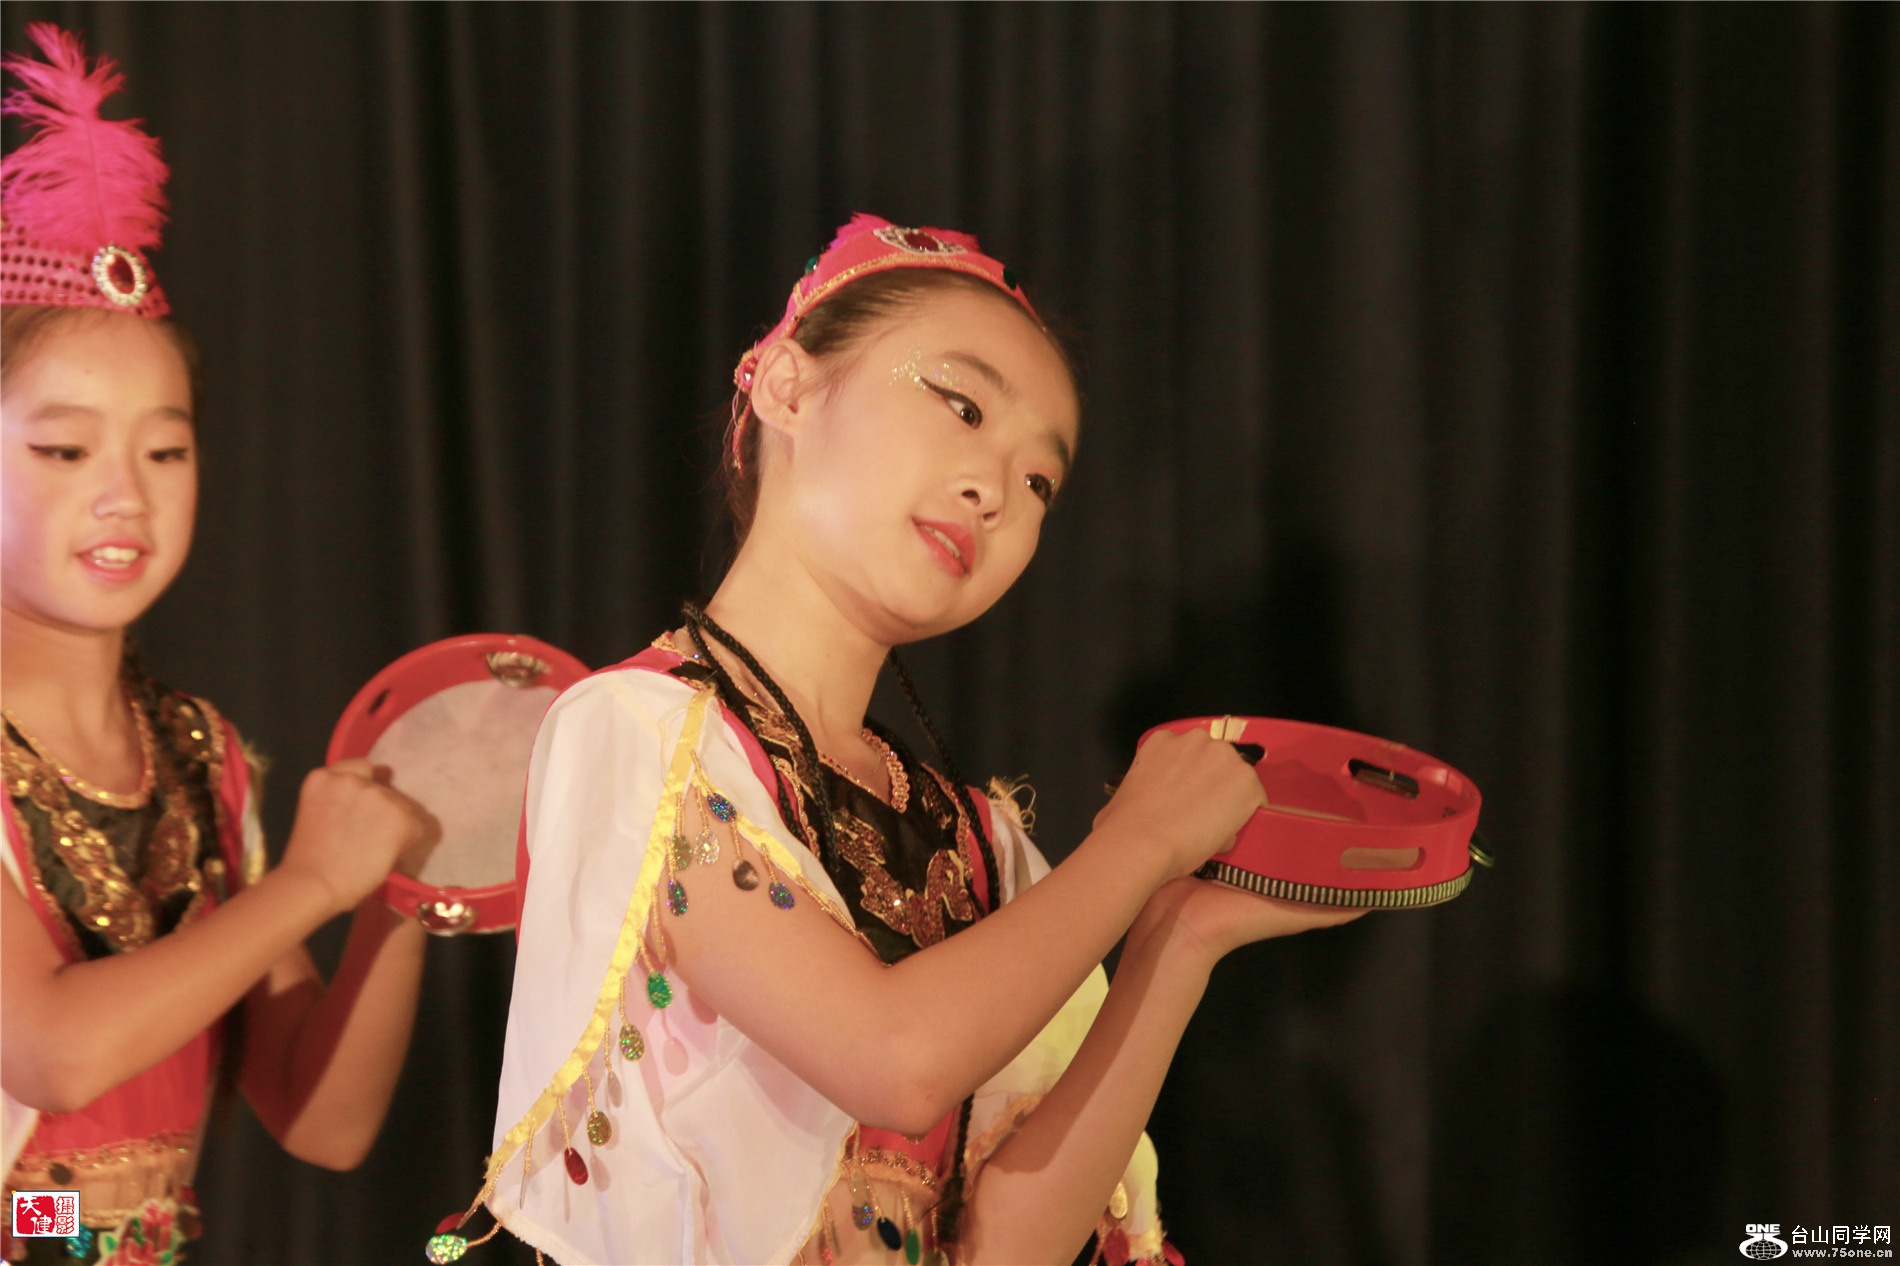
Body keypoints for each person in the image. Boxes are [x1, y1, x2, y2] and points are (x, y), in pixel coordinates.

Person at [468, 214, 1363, 1266]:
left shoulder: (979, 842)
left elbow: (1010, 1248)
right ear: (789, 387)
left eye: (1039, 483)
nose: (995, 491)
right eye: (962, 405)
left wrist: (1174, 939)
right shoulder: (639, 736)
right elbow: (895, 1060)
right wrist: (1138, 842)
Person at [0, 26, 432, 1264]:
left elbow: (323, 1122)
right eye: (64, 448)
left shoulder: (200, 759)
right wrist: (312, 885)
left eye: (167, 448)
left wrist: (404, 892)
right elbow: (52, 1051)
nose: (124, 494)